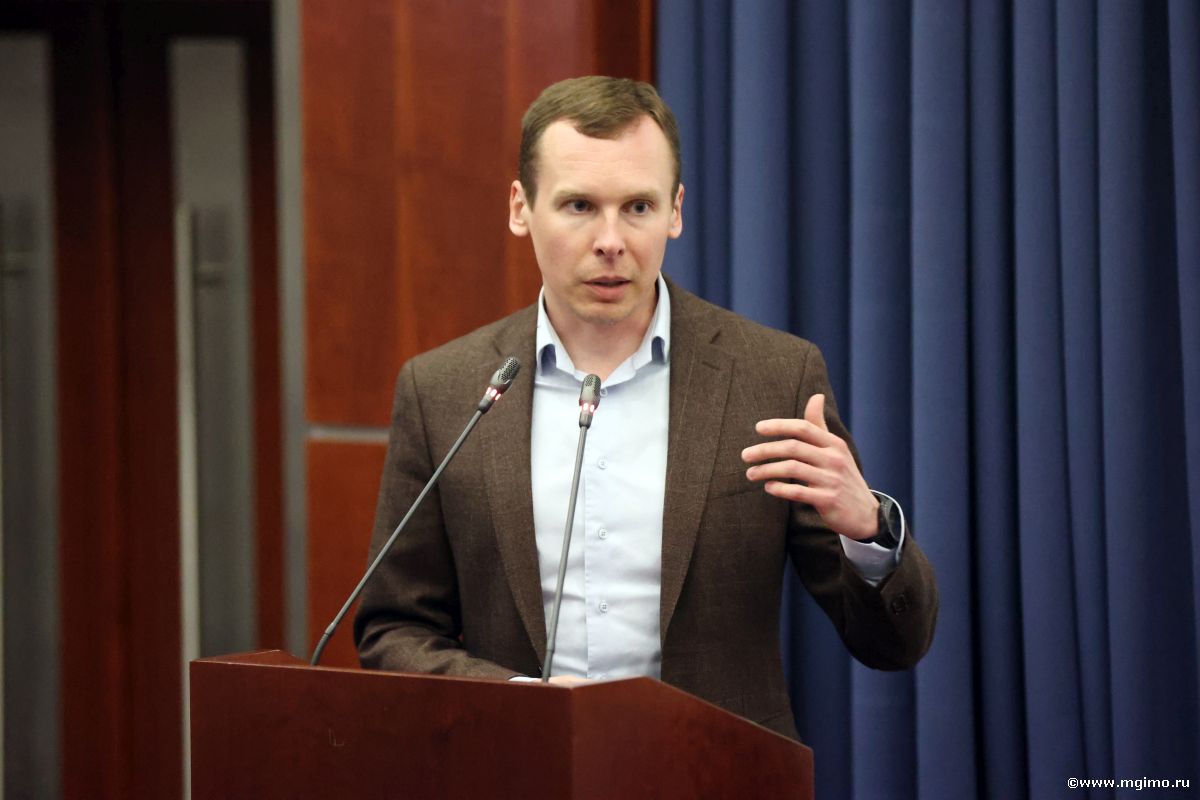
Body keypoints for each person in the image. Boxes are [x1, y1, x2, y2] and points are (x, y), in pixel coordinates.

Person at [353, 76, 937, 740]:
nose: (611, 240)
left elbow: (894, 646)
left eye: (637, 206)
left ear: (675, 212)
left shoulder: (771, 377)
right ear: (521, 208)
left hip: (714, 772)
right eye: (579, 205)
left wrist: (867, 532)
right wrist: (518, 701)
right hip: (519, 766)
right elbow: (393, 628)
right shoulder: (444, 391)